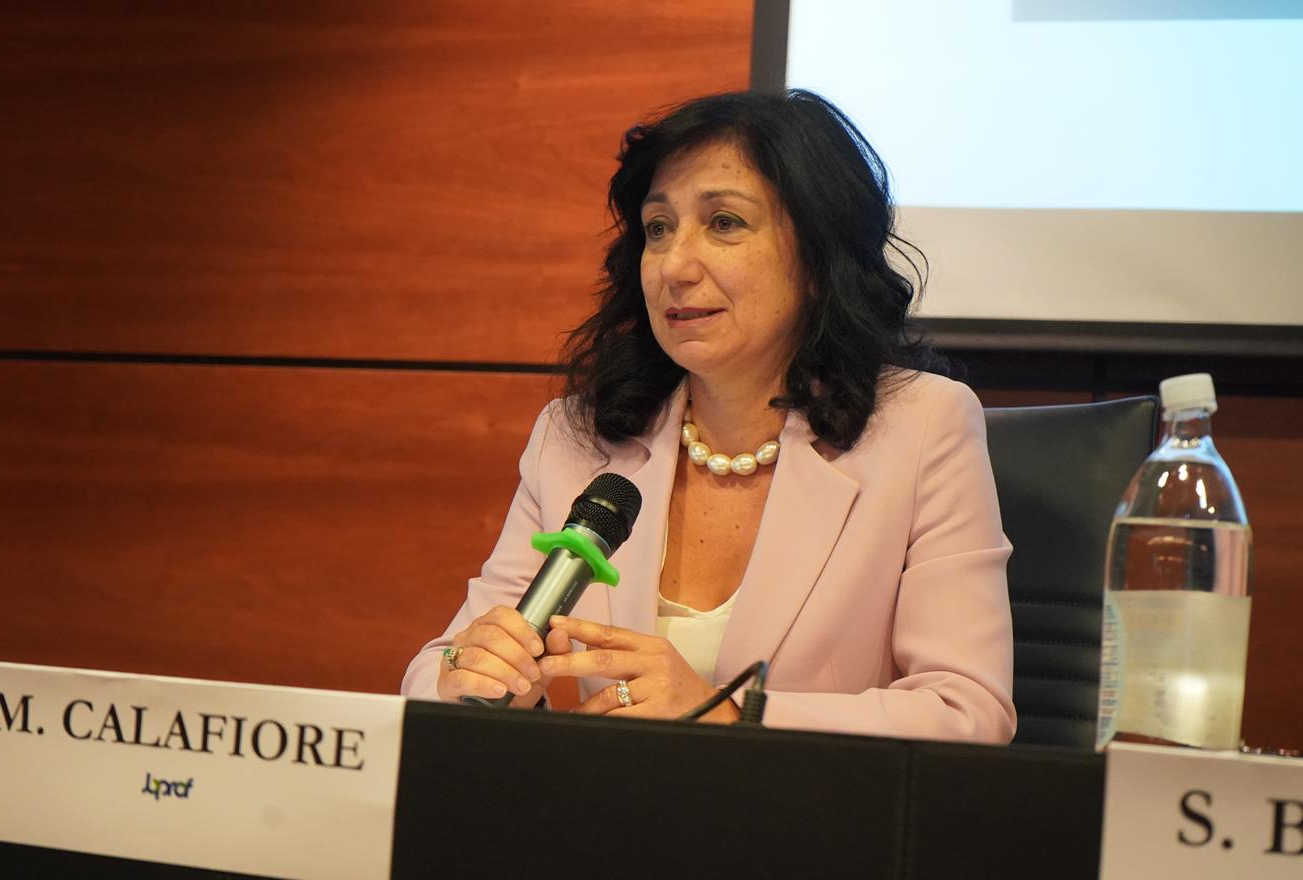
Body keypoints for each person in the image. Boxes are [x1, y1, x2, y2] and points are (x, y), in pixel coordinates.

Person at [401, 89, 1015, 743]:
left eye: (724, 223)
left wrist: (727, 713)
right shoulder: (577, 439)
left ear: (817, 256)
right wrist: (482, 680)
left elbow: (967, 712)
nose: (674, 265)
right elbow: (432, 676)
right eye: (658, 228)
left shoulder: (923, 427)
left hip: (807, 809)